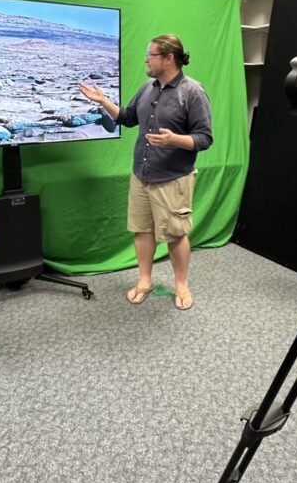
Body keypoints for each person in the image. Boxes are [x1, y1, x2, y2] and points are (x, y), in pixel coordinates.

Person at [78, 34, 212, 310]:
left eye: (151, 55)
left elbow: (204, 138)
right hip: (141, 175)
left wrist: (174, 139)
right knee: (142, 230)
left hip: (173, 179)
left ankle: (181, 285)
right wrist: (103, 100)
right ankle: (145, 280)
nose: (146, 60)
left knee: (175, 235)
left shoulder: (193, 92)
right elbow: (127, 118)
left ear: (169, 58)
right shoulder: (147, 88)